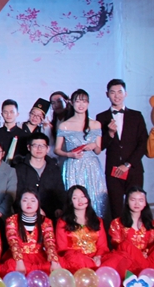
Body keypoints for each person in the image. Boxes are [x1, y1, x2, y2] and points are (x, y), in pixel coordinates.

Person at [96, 79, 148, 220]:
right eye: (112, 92)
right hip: (113, 170)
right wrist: (110, 134)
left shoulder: (136, 116)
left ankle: (136, 233)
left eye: (120, 92)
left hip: (134, 169)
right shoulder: (101, 117)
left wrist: (128, 164)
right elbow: (100, 146)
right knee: (116, 208)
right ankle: (116, 234)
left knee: (136, 207)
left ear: (126, 94)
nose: (116, 95)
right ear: (107, 94)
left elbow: (143, 143)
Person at [56, 89, 107, 218]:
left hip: (92, 167)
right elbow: (57, 149)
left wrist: (94, 145)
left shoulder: (95, 124)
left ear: (88, 103)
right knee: (74, 198)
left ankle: (96, 225)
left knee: (95, 198)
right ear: (72, 103)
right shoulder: (64, 125)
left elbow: (98, 150)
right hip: (73, 165)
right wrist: (70, 155)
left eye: (84, 101)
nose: (81, 104)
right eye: (78, 101)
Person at [108, 187, 154, 275]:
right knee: (125, 245)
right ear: (127, 201)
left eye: (141, 200)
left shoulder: (151, 223)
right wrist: (138, 254)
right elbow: (118, 246)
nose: (137, 203)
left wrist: (145, 253)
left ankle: (148, 270)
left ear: (145, 203)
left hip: (147, 258)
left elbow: (152, 245)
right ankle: (147, 271)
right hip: (128, 260)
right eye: (133, 200)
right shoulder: (117, 223)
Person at [1, 190, 60, 274]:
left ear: (38, 203)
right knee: (12, 266)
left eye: (33, 201)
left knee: (53, 266)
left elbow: (49, 242)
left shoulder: (46, 221)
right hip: (17, 257)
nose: (29, 204)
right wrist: (19, 261)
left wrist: (54, 261)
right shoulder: (12, 220)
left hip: (38, 257)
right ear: (19, 203)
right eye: (25, 200)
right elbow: (13, 242)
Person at [56, 185, 109, 273]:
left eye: (83, 197)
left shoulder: (97, 220)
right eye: (75, 198)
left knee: (118, 257)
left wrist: (98, 256)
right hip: (75, 260)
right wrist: (84, 259)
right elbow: (62, 248)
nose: (80, 200)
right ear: (70, 201)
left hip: (96, 259)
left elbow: (103, 246)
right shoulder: (63, 222)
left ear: (87, 199)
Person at [15, 133, 65, 219]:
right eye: (35, 145)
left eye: (42, 146)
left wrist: (59, 208)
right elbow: (17, 194)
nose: (39, 149)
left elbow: (59, 191)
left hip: (50, 214)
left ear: (48, 148)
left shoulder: (54, 168)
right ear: (29, 147)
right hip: (26, 214)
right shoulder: (19, 169)